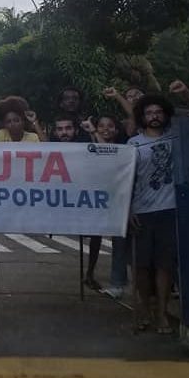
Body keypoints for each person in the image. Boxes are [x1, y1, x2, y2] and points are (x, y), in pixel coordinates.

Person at [128, 94, 181, 334]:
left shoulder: (175, 138)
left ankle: (161, 312)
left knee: (165, 265)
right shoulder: (133, 144)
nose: (154, 116)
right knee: (141, 266)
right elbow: (125, 181)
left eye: (158, 112)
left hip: (169, 211)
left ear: (165, 114)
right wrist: (128, 209)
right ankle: (145, 309)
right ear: (142, 116)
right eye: (149, 113)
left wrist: (182, 93)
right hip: (142, 212)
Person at [53, 112, 103, 291]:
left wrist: (94, 132)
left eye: (68, 128)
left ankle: (89, 273)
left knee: (96, 232)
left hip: (82, 200)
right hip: (56, 203)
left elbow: (106, 155)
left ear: (75, 130)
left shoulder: (85, 146)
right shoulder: (49, 148)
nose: (64, 132)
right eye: (60, 129)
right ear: (55, 132)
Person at [81, 114, 130, 298]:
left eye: (110, 125)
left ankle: (121, 283)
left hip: (119, 199)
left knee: (122, 243)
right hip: (97, 199)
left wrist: (93, 131)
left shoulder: (124, 148)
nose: (105, 129)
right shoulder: (88, 145)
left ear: (117, 130)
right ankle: (116, 282)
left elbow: (107, 152)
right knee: (112, 241)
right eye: (101, 126)